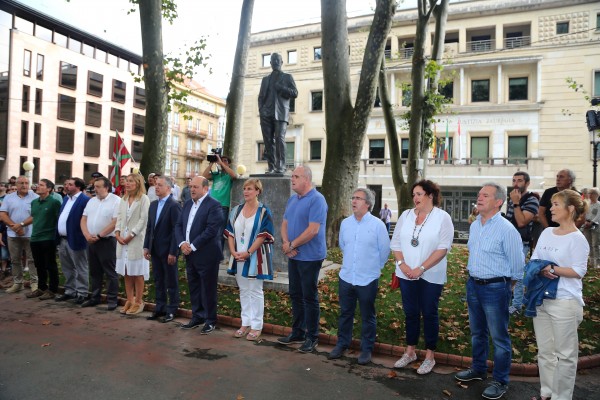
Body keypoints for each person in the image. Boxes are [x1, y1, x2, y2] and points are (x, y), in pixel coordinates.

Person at [454, 182, 524, 400]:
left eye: (485, 195)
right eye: (479, 194)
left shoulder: (506, 229)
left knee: (499, 337)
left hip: (496, 288)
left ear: (498, 202)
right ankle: (478, 369)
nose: (479, 197)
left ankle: (501, 380)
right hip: (473, 285)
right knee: (477, 333)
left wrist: (506, 288)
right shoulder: (475, 225)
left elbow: (518, 265)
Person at [527, 189, 589, 400]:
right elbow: (535, 259)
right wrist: (542, 268)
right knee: (545, 352)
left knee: (566, 356)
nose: (550, 208)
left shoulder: (578, 239)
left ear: (570, 209)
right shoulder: (546, 233)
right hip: (541, 299)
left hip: (565, 302)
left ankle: (561, 397)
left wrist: (551, 269)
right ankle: (547, 393)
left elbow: (578, 271)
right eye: (551, 204)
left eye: (556, 205)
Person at [390, 180, 454, 374]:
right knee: (410, 312)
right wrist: (404, 265)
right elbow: (395, 244)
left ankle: (429, 356)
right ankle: (410, 352)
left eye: (419, 194)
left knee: (429, 313)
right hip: (405, 273)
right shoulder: (406, 215)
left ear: (431, 195)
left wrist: (421, 268)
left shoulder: (442, 217)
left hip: (430, 275)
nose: (415, 198)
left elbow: (443, 248)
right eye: (414, 194)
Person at [328, 188, 390, 365]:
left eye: (358, 198)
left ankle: (366, 349)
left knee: (367, 315)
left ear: (368, 204)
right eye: (352, 198)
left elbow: (384, 251)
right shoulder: (346, 223)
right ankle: (342, 344)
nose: (353, 201)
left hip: (368, 279)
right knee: (345, 313)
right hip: (347, 277)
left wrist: (373, 268)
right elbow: (343, 246)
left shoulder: (378, 225)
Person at [277, 165, 328, 353]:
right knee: (295, 294)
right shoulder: (292, 199)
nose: (292, 179)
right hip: (294, 254)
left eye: (296, 176)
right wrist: (285, 243)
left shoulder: (317, 200)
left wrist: (292, 245)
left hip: (310, 257)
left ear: (306, 179)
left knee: (309, 296)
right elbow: (285, 223)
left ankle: (312, 336)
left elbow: (313, 230)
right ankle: (297, 332)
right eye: (292, 176)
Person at [224, 178, 275, 341]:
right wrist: (233, 251)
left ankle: (256, 325)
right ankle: (245, 322)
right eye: (245, 188)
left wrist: (248, 252)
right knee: (243, 290)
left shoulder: (264, 212)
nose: (246, 191)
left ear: (258, 191)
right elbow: (230, 233)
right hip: (238, 256)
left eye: (250, 189)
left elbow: (263, 235)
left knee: (255, 290)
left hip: (255, 257)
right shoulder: (236, 210)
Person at [174, 176, 224, 334]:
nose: (192, 190)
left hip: (207, 254)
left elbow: (211, 230)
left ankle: (210, 320)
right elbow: (179, 225)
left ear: (205, 188)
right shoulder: (187, 204)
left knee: (208, 288)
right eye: (190, 187)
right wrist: (182, 243)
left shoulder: (214, 205)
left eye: (195, 187)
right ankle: (197, 316)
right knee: (194, 286)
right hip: (189, 253)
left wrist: (192, 246)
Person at [144, 175, 182, 323]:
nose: (156, 187)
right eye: (155, 185)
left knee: (171, 281)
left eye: (160, 185)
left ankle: (172, 309)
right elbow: (149, 228)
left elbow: (176, 230)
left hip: (168, 250)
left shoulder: (174, 205)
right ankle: (160, 307)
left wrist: (173, 251)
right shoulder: (153, 205)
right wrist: (146, 246)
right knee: (158, 280)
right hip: (155, 249)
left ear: (168, 187)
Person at [80, 177, 121, 310]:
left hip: (107, 241)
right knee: (94, 271)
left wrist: (99, 235)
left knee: (110, 272)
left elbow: (115, 222)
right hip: (90, 241)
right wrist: (87, 235)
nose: (94, 189)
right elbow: (83, 219)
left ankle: (112, 300)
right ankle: (95, 297)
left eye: (98, 186)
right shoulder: (91, 201)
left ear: (106, 188)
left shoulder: (116, 201)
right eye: (94, 186)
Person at [504, 171, 539, 315]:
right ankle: (507, 300)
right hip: (508, 240)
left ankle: (517, 305)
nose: (515, 184)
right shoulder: (512, 198)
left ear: (527, 183)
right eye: (514, 180)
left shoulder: (531, 199)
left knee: (517, 274)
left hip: (521, 242)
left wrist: (517, 203)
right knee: (506, 272)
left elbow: (522, 221)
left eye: (519, 180)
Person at [115, 173, 150, 315]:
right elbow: (120, 217)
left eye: (131, 181)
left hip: (136, 241)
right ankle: (129, 299)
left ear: (137, 183)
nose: (127, 183)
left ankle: (139, 301)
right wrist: (117, 233)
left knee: (138, 272)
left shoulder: (143, 199)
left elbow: (143, 220)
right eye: (126, 181)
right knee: (126, 271)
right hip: (122, 240)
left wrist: (131, 235)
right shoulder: (123, 199)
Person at [258, 52, 298, 174]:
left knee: (279, 138)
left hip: (280, 113)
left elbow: (295, 93)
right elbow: (260, 97)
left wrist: (281, 88)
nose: (275, 62)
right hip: (266, 113)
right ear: (270, 63)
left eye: (277, 60)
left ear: (281, 62)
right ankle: (271, 167)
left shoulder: (287, 77)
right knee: (268, 141)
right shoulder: (265, 80)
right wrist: (261, 110)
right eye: (273, 60)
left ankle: (280, 166)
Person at [0, 176, 38, 294]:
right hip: (13, 234)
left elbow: (36, 214)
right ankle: (18, 283)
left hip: (31, 233)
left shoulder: (35, 197)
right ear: (16, 184)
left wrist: (20, 225)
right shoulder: (8, 197)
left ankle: (34, 283)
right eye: (21, 183)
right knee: (15, 259)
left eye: (26, 183)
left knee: (32, 259)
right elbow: (3, 214)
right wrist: (15, 227)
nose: (24, 185)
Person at [55, 178, 90, 304]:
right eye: (65, 184)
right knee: (67, 267)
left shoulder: (85, 200)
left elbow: (86, 220)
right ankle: (70, 291)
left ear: (78, 187)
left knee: (80, 266)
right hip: (63, 239)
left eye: (70, 184)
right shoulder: (66, 199)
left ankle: (82, 293)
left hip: (77, 238)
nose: (66, 186)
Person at [27, 179, 61, 300]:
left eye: (41, 185)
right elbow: (34, 217)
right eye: (38, 184)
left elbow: (59, 220)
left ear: (49, 189)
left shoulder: (54, 202)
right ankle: (41, 288)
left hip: (48, 238)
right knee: (39, 265)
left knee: (50, 264)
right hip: (35, 237)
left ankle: (52, 289)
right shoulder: (34, 202)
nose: (38, 186)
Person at [202, 154, 237, 225]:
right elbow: (204, 176)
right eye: (221, 160)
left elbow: (234, 175)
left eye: (225, 161)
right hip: (211, 205)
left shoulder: (228, 175)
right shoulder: (216, 174)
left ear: (229, 163)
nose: (222, 162)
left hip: (223, 206)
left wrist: (221, 163)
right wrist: (212, 163)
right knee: (210, 227)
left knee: (220, 229)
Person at [582, 187, 600, 268]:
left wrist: (592, 222)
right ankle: (591, 262)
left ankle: (597, 263)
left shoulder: (599, 204)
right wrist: (585, 222)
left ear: (597, 195)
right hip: (586, 226)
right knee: (588, 244)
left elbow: (598, 215)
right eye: (589, 193)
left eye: (592, 193)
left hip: (596, 226)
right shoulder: (587, 204)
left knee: (595, 244)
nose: (590, 195)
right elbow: (584, 214)